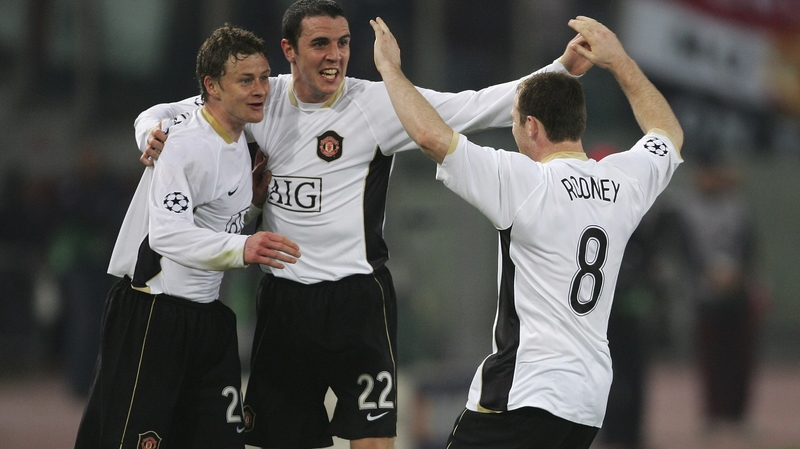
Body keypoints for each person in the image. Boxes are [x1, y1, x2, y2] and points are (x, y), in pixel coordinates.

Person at [134, 1, 591, 447]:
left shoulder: (375, 104)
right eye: (320, 44)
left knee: (372, 440)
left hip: (359, 302)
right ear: (289, 50)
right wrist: (147, 133)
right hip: (284, 301)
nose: (334, 55)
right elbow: (166, 112)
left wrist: (560, 68)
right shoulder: (262, 97)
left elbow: (472, 106)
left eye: (343, 42)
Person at [372, 14, 683, 449]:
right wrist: (620, 61)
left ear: (532, 126)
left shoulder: (523, 181)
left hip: (525, 391)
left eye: (515, 120)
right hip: (586, 402)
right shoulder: (622, 182)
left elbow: (428, 135)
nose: (513, 129)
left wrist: (389, 70)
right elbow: (668, 132)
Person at [74, 25, 301, 449]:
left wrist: (250, 206)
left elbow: (215, 219)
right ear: (211, 87)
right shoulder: (183, 144)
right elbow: (168, 237)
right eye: (246, 80)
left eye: (265, 77)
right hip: (153, 316)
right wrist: (245, 247)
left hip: (208, 318)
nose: (261, 90)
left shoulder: (238, 136)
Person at [676, 148, 765, 433]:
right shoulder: (688, 209)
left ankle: (738, 415)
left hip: (736, 291)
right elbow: (686, 250)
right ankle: (713, 415)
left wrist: (736, 273)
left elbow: (748, 246)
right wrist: (709, 272)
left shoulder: (736, 206)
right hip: (705, 292)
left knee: (740, 357)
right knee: (710, 358)